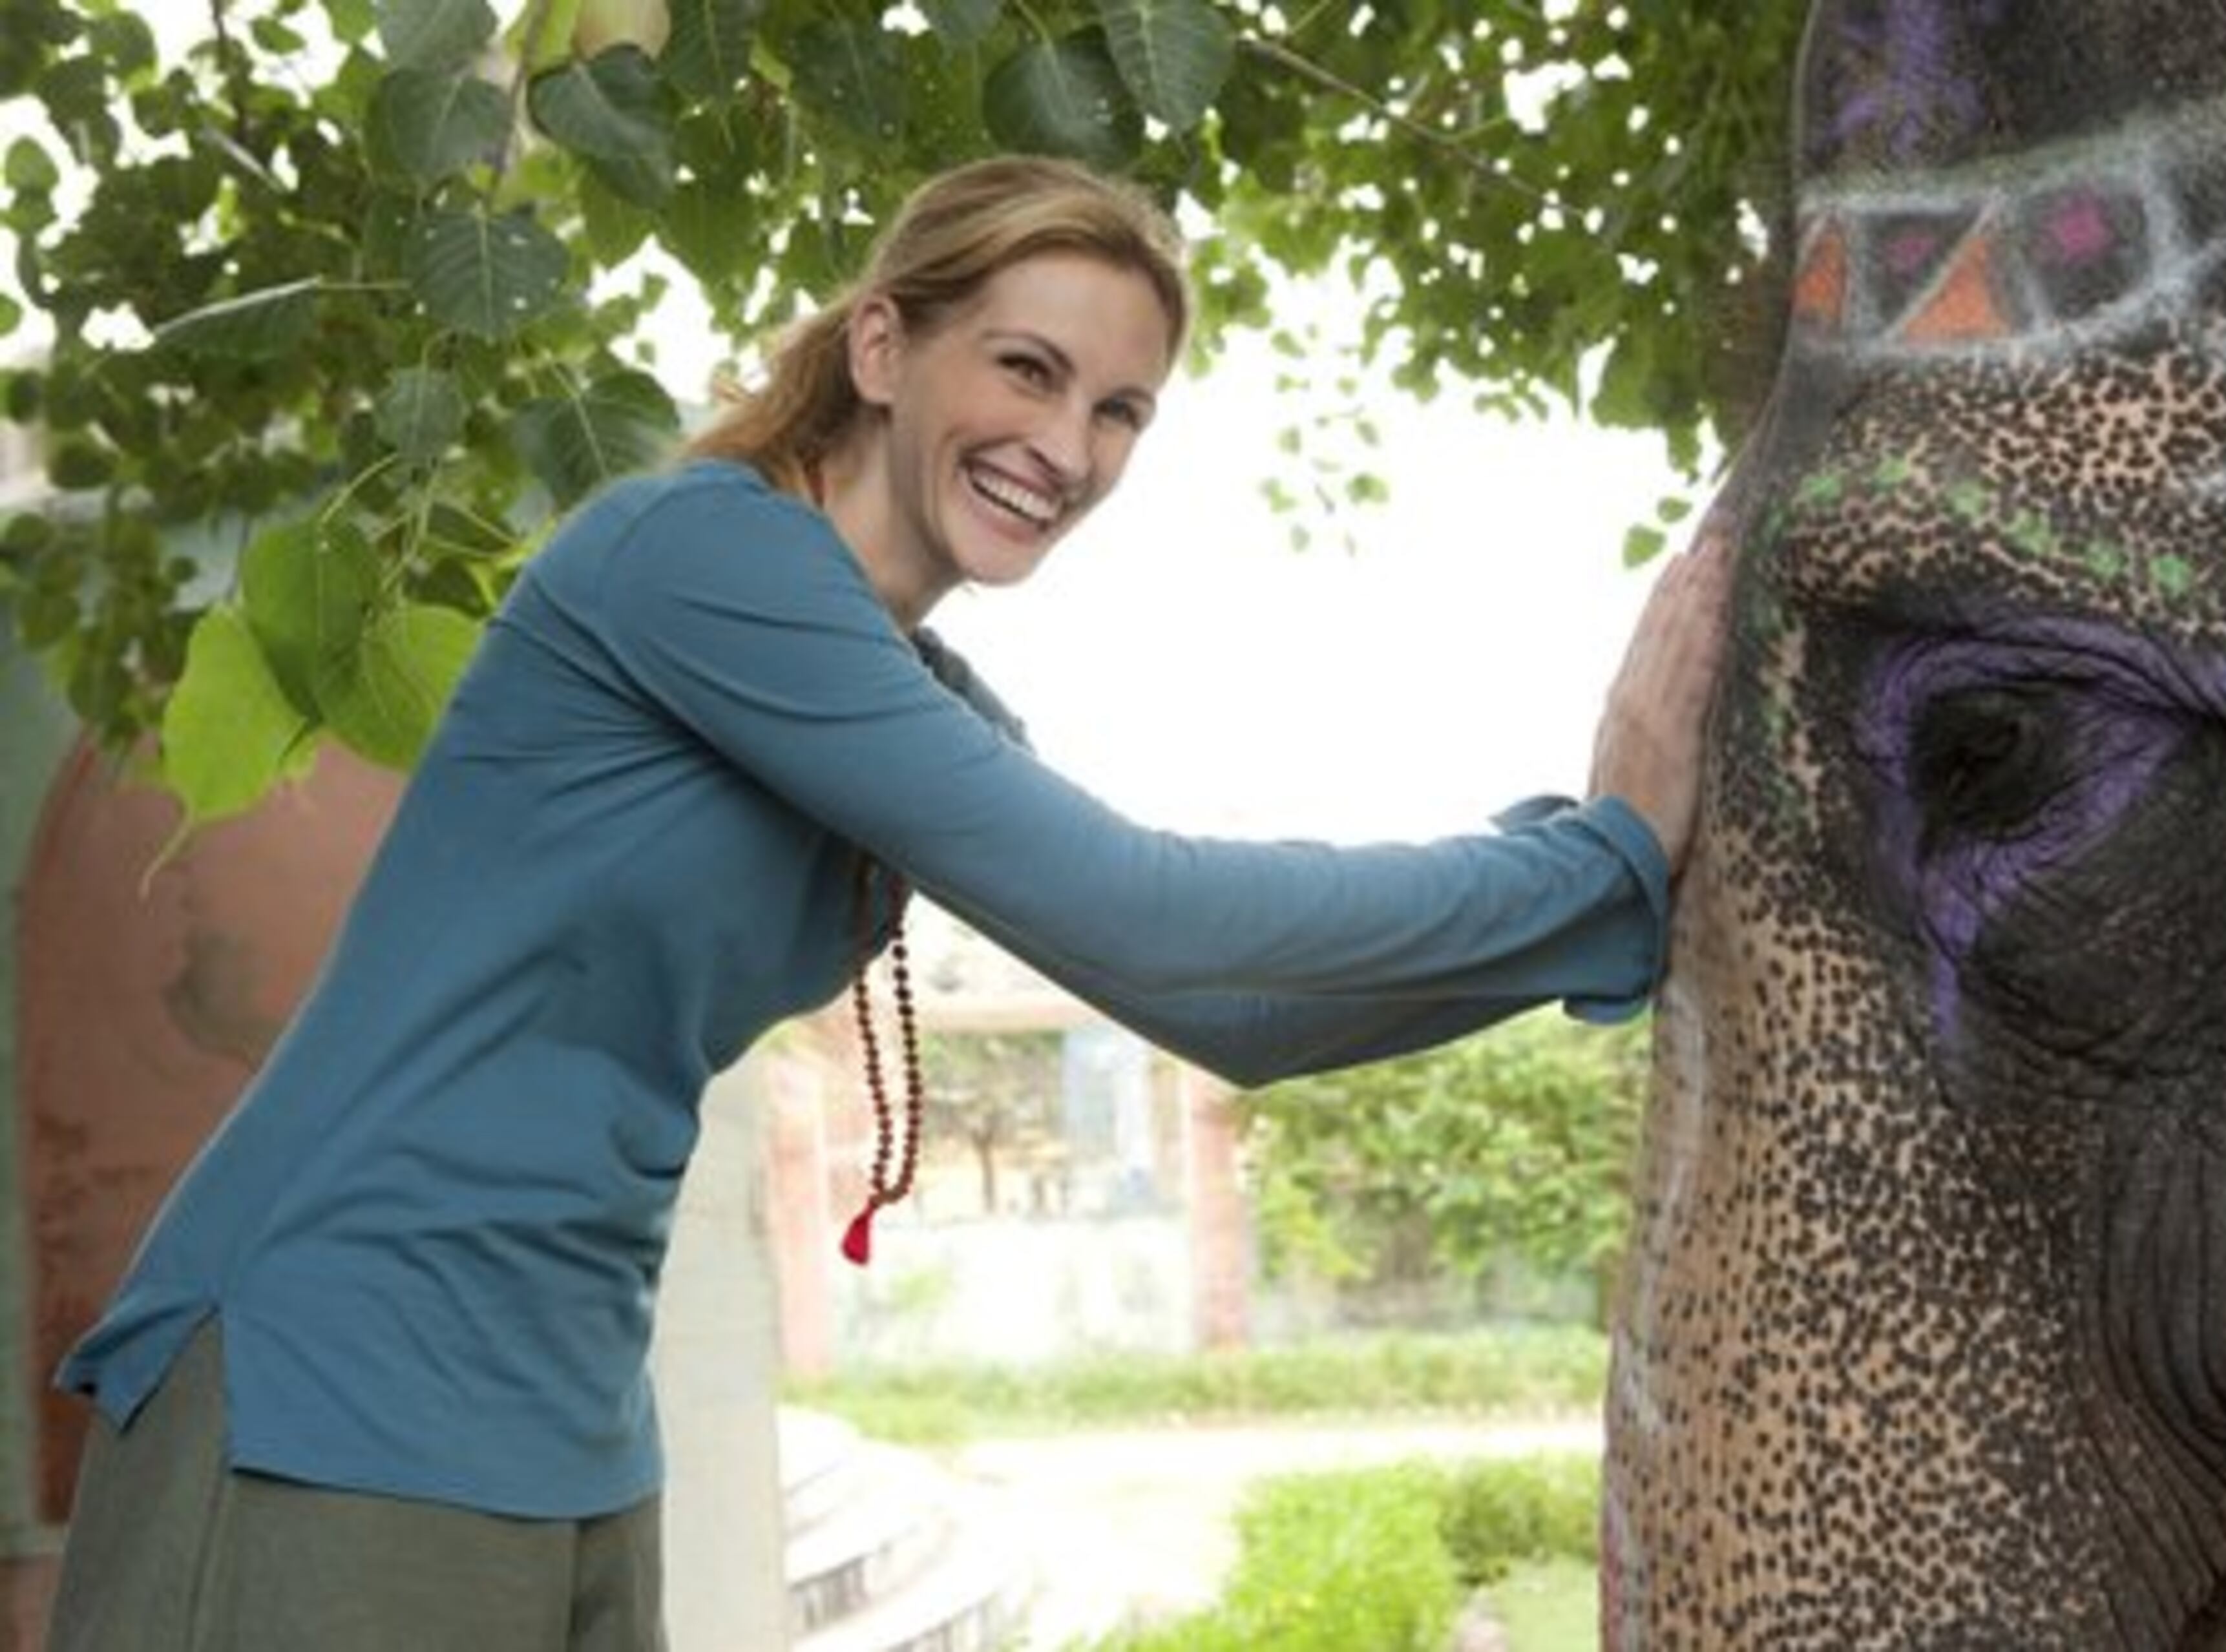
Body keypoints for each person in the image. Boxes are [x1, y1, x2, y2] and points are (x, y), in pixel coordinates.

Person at [46, 154, 1732, 1650]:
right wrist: (1598, 858)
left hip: (565, 1407)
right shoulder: (697, 559)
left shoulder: (905, 703)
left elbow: (1230, 1003)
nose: (1065, 446)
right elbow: (1161, 919)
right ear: (880, 351)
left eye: (1120, 411)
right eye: (1028, 368)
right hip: (329, 1364)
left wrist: (1632, 896)